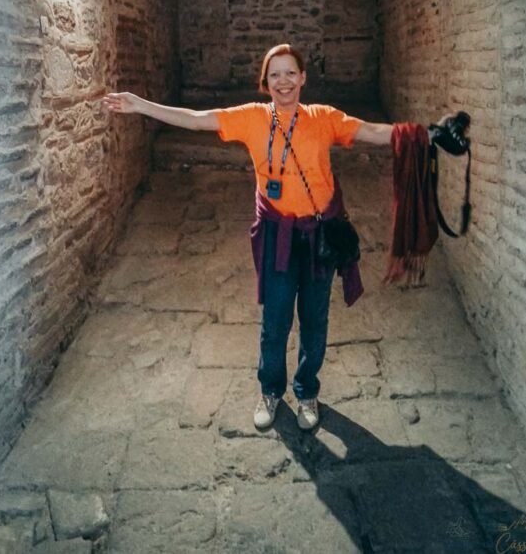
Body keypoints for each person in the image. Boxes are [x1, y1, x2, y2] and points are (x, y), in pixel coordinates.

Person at [102, 43, 394, 431]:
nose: (284, 81)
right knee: (275, 320)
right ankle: (271, 390)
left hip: (318, 235)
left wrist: (421, 136)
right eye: (275, 75)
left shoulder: (324, 118)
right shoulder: (253, 118)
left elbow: (372, 130)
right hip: (278, 235)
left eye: (291, 73)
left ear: (303, 78)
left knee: (315, 319)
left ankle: (307, 391)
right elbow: (197, 119)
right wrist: (141, 105)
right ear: (265, 82)